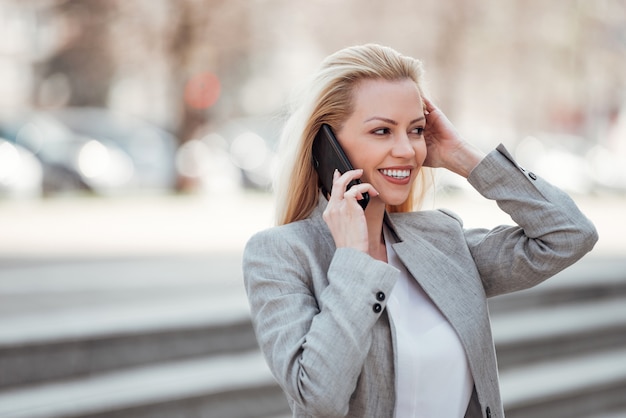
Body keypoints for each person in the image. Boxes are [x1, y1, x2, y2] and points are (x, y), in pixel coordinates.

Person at [242, 44, 598, 418]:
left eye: (415, 130)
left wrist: (462, 155)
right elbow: (320, 399)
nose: (407, 150)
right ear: (326, 145)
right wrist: (352, 261)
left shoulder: (441, 239)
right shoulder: (281, 255)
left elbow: (569, 234)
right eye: (382, 131)